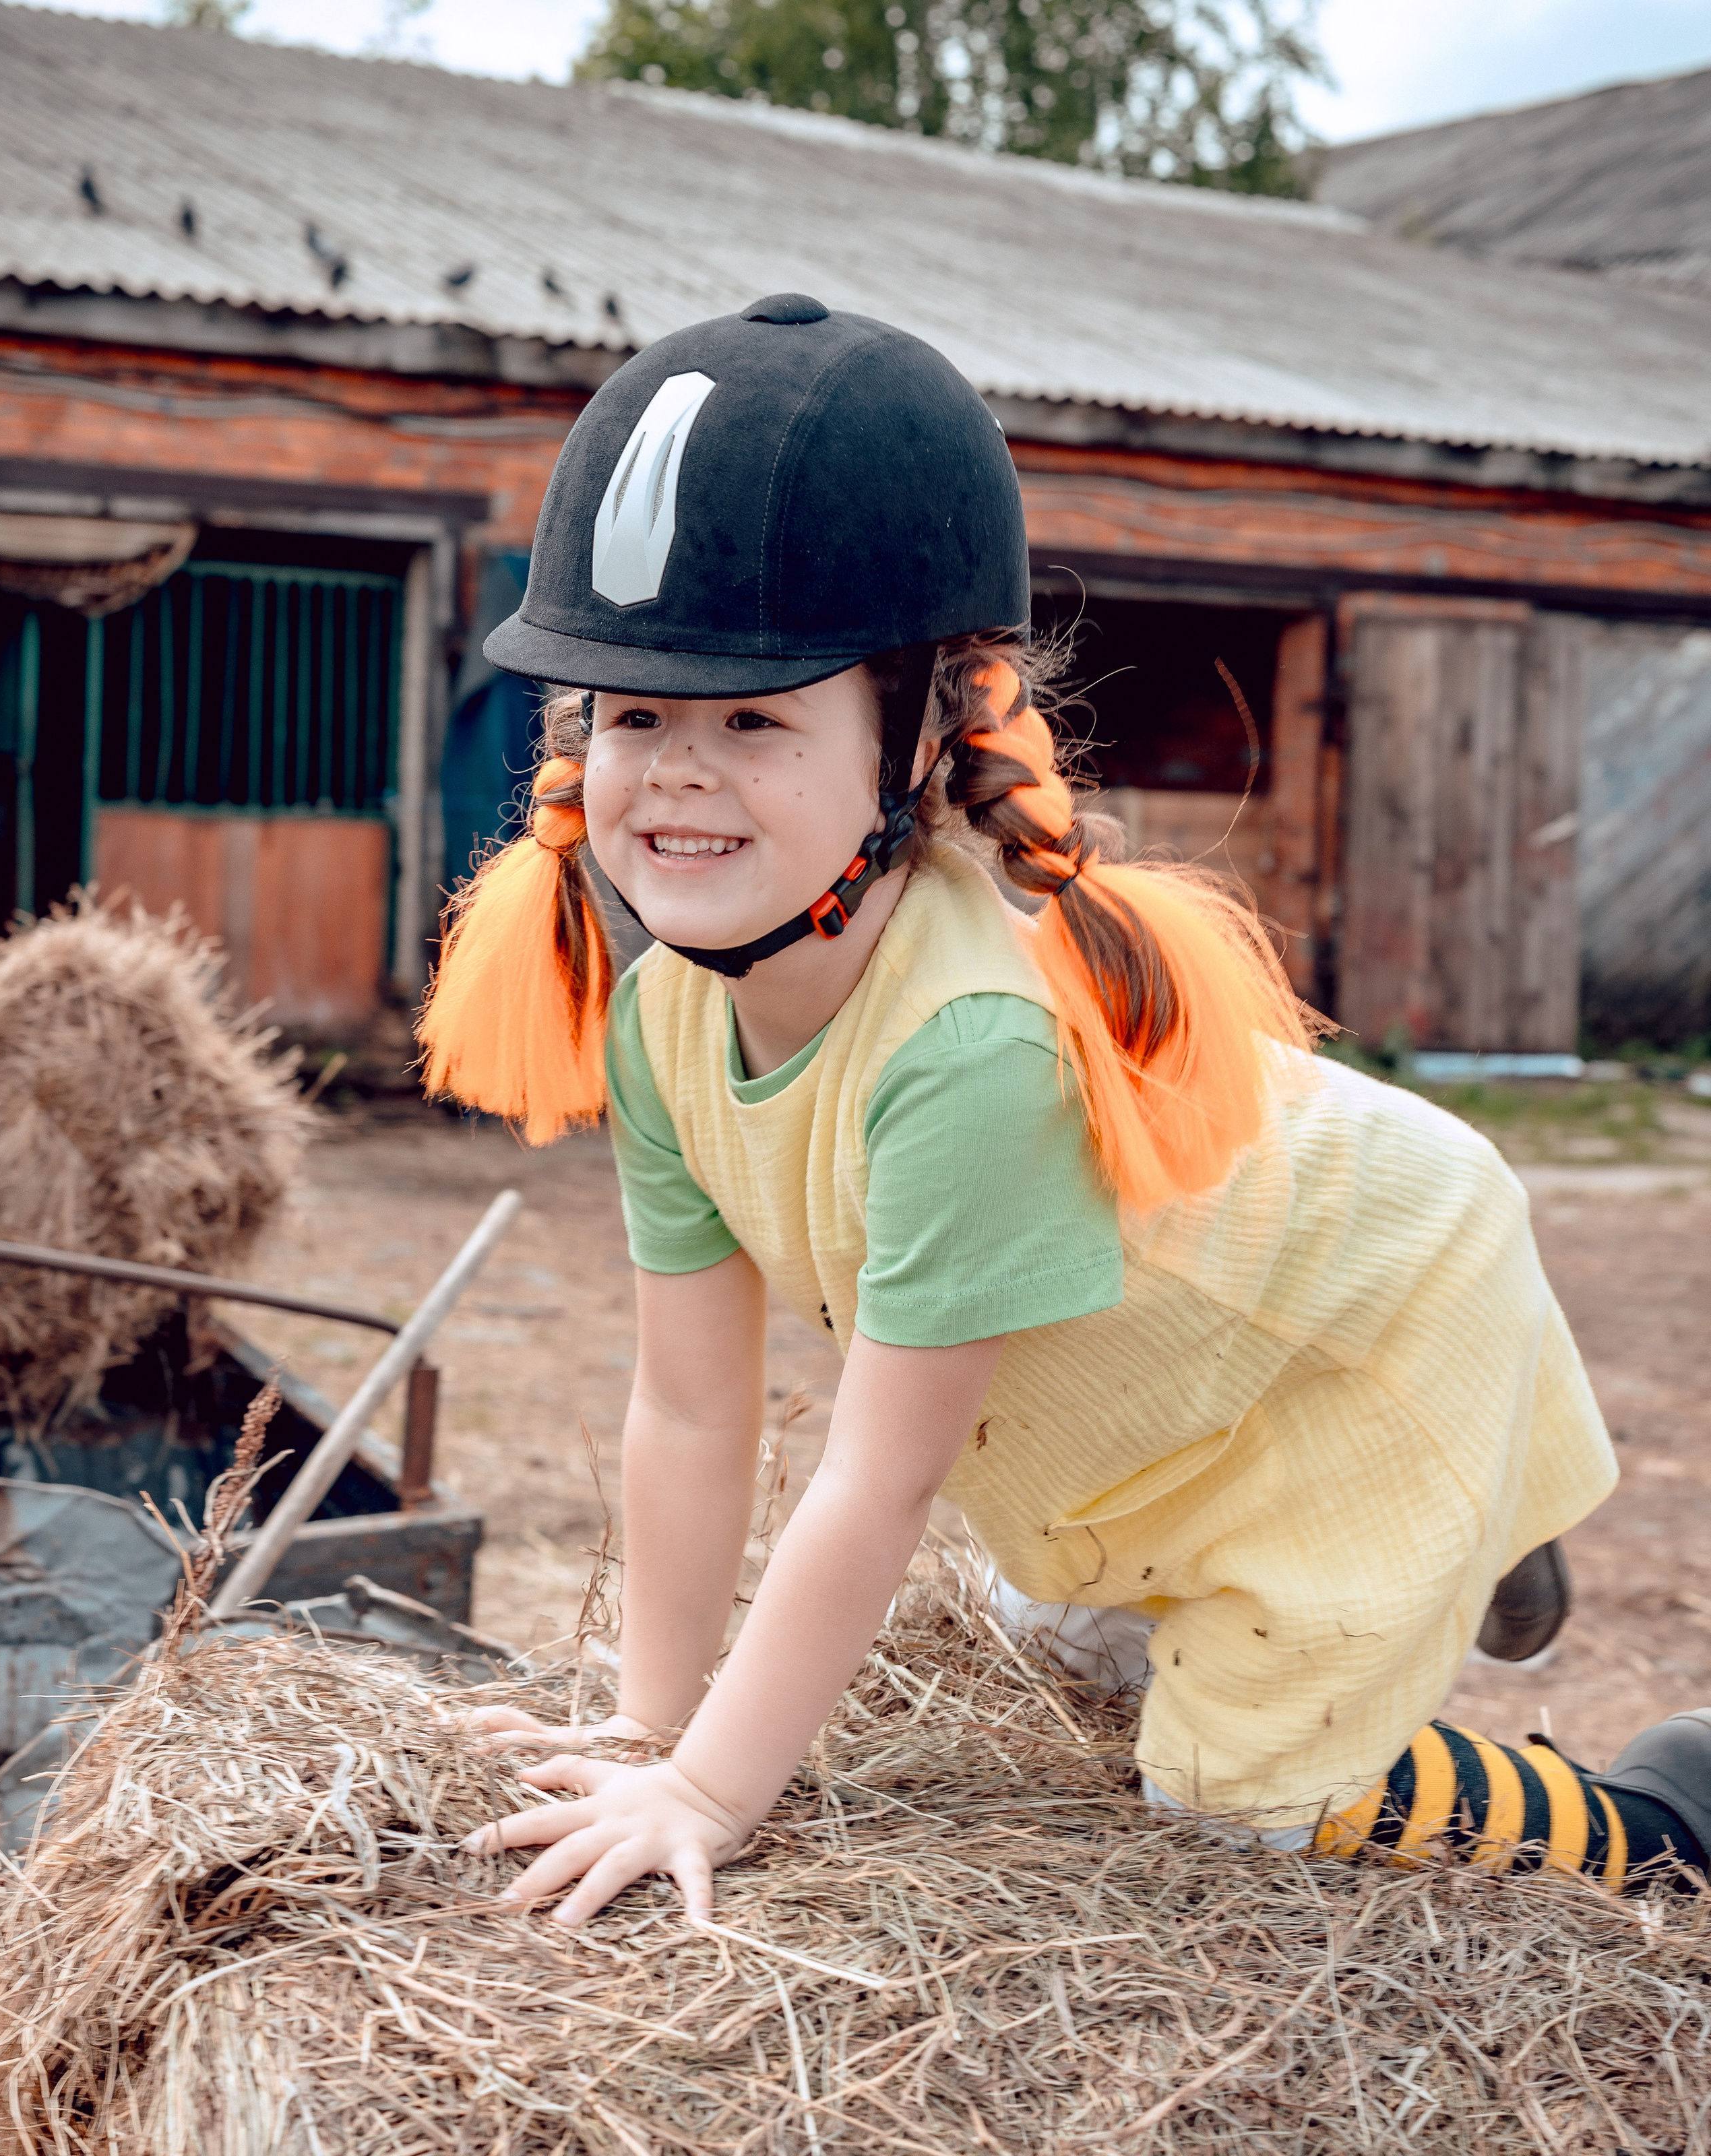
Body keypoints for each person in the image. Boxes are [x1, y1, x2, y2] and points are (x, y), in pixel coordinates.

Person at [422, 295, 1710, 1924]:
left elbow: (878, 1482)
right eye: (634, 716)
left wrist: (706, 1794)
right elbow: (689, 1408)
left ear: (915, 735)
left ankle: (1656, 1803)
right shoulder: (664, 1019)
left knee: (1234, 1806)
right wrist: (644, 1723)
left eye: (751, 717)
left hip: (1365, 1325)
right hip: (1169, 1386)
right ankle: (1448, 1538)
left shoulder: (968, 1049)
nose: (677, 770)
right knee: (1063, 1655)